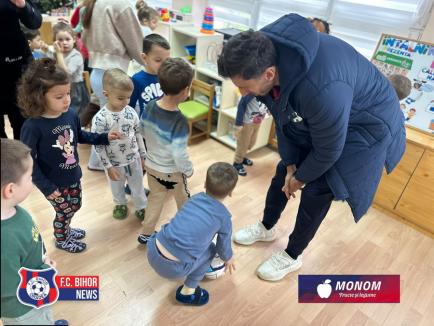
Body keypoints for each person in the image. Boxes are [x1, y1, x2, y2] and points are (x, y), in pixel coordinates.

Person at [217, 14, 405, 281]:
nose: (243, 94)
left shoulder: (320, 90)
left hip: (366, 125)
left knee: (318, 188)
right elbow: (283, 120)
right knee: (284, 171)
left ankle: (292, 255)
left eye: (244, 87)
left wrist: (302, 178)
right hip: (332, 112)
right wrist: (292, 165)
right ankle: (267, 226)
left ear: (269, 74)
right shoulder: (265, 58)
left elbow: (329, 150)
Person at [19, 58, 120, 253]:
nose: (67, 99)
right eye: (59, 96)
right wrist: (47, 187)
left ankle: (66, 230)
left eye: (67, 93)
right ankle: (61, 239)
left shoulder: (71, 114)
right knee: (64, 211)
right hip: (52, 182)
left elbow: (80, 136)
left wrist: (104, 137)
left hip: (72, 174)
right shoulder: (33, 126)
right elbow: (28, 160)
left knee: (75, 205)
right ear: (39, 97)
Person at [147, 162, 238, 306]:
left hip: (152, 249)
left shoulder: (194, 199)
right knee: (211, 250)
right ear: (231, 193)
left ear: (204, 185)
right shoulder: (224, 217)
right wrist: (229, 258)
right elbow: (223, 247)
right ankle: (188, 292)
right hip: (173, 269)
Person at [1, 139, 68, 325]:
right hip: (23, 309)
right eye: (30, 177)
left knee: (45, 315)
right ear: (11, 190)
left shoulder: (13, 209)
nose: (33, 180)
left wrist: (43, 257)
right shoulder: (4, 241)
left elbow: (31, 237)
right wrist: (46, 271)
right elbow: (9, 288)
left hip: (37, 287)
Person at [82, 0, 144, 171]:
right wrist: (147, 61)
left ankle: (96, 162)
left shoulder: (95, 3)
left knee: (106, 121)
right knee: (120, 118)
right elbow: (137, 43)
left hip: (98, 71)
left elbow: (85, 38)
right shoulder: (121, 4)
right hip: (114, 73)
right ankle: (111, 162)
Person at [137, 58, 194, 244]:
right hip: (173, 172)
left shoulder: (151, 105)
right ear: (186, 90)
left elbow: (142, 130)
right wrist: (188, 169)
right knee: (184, 201)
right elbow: (179, 154)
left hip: (152, 167)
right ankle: (186, 232)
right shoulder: (181, 121)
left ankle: (146, 233)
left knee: (155, 199)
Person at [92, 69, 147, 220]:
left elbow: (138, 134)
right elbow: (98, 145)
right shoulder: (100, 119)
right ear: (106, 94)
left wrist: (143, 156)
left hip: (134, 159)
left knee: (138, 185)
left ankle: (141, 206)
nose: (126, 102)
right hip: (114, 163)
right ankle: (120, 204)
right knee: (116, 187)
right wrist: (108, 166)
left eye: (128, 97)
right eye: (121, 98)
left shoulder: (131, 112)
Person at [0, 0, 42, 139]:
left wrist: (22, 4)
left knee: (23, 124)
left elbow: (35, 22)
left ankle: (23, 159)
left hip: (18, 67)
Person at [52, 22, 90, 116]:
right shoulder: (58, 53)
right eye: (60, 40)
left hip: (76, 90)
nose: (64, 42)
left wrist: (59, 54)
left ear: (73, 40)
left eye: (67, 39)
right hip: (62, 88)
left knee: (72, 115)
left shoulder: (76, 55)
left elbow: (66, 73)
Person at [129, 34, 170, 117]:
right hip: (146, 126)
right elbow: (130, 107)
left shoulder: (168, 75)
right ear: (144, 58)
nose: (164, 65)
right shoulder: (137, 79)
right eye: (158, 60)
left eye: (167, 60)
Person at [232, 94, 268, 176]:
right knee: (243, 143)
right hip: (246, 122)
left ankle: (242, 157)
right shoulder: (252, 91)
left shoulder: (268, 91)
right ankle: (237, 163)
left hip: (258, 121)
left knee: (251, 142)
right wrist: (239, 123)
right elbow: (241, 104)